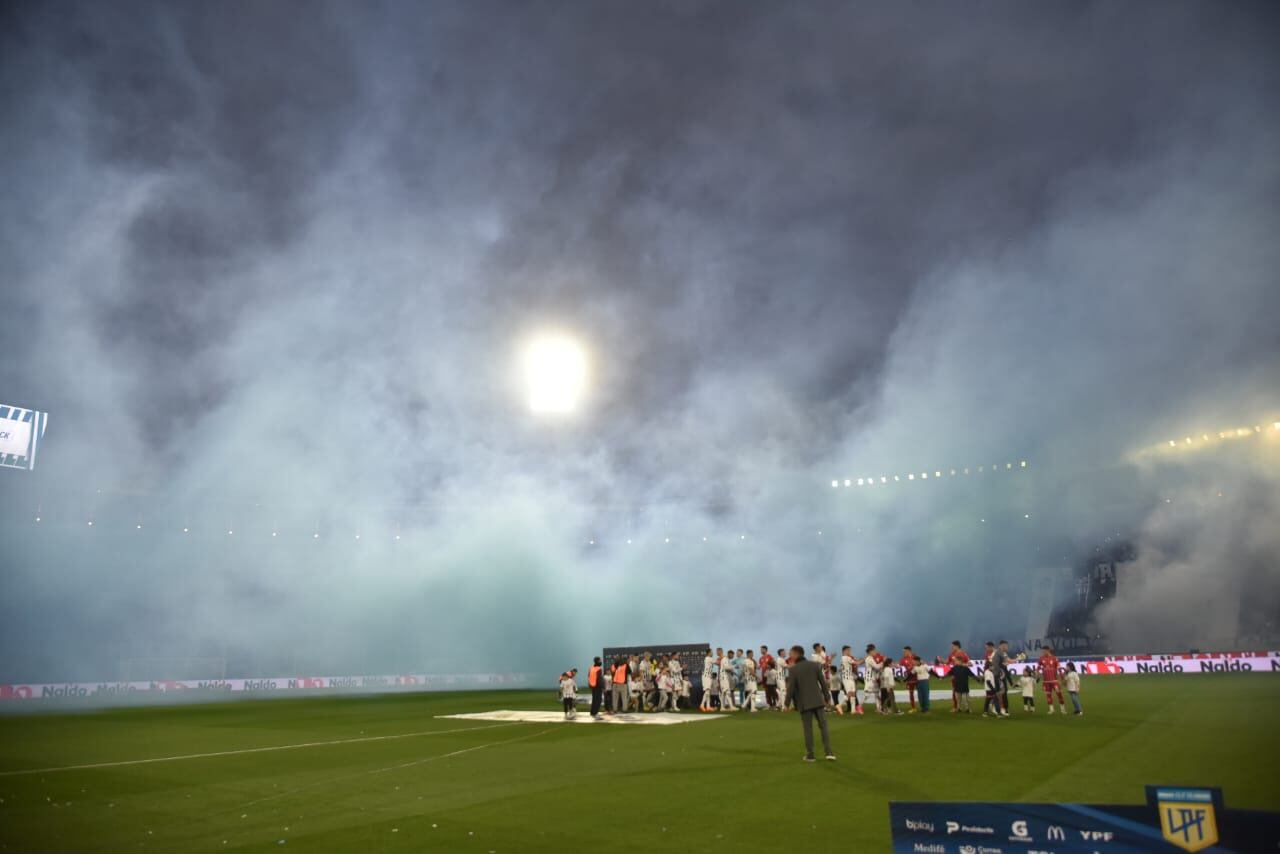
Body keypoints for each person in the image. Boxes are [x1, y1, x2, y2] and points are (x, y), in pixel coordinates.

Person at [785, 645, 835, 762]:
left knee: (808, 729)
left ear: (796, 654)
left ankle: (811, 755)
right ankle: (829, 753)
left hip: (804, 703)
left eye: (791, 653)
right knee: (824, 727)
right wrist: (827, 698)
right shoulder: (815, 665)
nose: (790, 656)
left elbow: (790, 688)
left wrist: (786, 704)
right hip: (818, 701)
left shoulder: (793, 669)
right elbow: (823, 683)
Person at [1039, 645, 1066, 714]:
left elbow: (1059, 667)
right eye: (1042, 651)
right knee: (1048, 695)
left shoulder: (1054, 658)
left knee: (1059, 694)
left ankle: (1063, 709)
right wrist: (1037, 673)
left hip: (1054, 680)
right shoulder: (1041, 658)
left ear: (1048, 650)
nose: (1043, 652)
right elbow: (1038, 667)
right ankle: (1051, 709)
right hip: (1046, 681)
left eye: (1044, 651)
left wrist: (1061, 676)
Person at [947, 641, 970, 712]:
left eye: (953, 646)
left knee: (964, 693)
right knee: (955, 691)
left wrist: (961, 664)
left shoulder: (963, 654)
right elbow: (948, 662)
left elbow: (969, 663)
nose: (952, 647)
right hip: (955, 676)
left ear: (957, 646)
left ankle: (966, 708)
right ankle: (956, 707)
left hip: (962, 676)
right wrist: (942, 661)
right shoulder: (951, 654)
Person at [838, 646, 862, 716]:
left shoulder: (843, 658)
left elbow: (843, 667)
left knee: (853, 694)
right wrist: (863, 659)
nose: (850, 652)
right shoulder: (846, 658)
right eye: (849, 650)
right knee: (850, 693)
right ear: (845, 651)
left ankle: (853, 710)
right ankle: (839, 705)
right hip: (847, 678)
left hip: (850, 677)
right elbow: (856, 663)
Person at [900, 647, 918, 711]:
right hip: (909, 678)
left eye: (905, 651)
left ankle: (923, 707)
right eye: (903, 652)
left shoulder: (915, 657)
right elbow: (899, 667)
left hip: (917, 678)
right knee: (911, 693)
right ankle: (913, 708)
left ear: (909, 651)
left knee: (920, 692)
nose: (904, 653)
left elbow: (920, 663)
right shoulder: (903, 659)